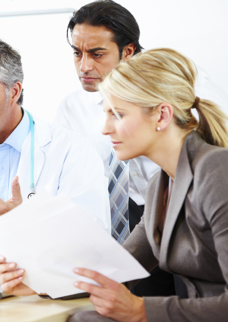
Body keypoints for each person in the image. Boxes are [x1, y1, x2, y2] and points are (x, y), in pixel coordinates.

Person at [0, 48, 228, 322]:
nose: (105, 129)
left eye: (117, 114)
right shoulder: (161, 185)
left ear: (162, 115)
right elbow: (113, 272)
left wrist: (141, 311)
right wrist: (37, 281)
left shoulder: (217, 171)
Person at [0, 36, 109, 286]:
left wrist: (19, 225)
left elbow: (93, 250)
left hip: (44, 313)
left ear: (14, 92)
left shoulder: (72, 152)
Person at [53, 0, 180, 297]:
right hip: (119, 218)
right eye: (77, 53)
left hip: (176, 208)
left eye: (97, 54)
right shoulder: (72, 108)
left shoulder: (168, 95)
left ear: (128, 51)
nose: (84, 66)